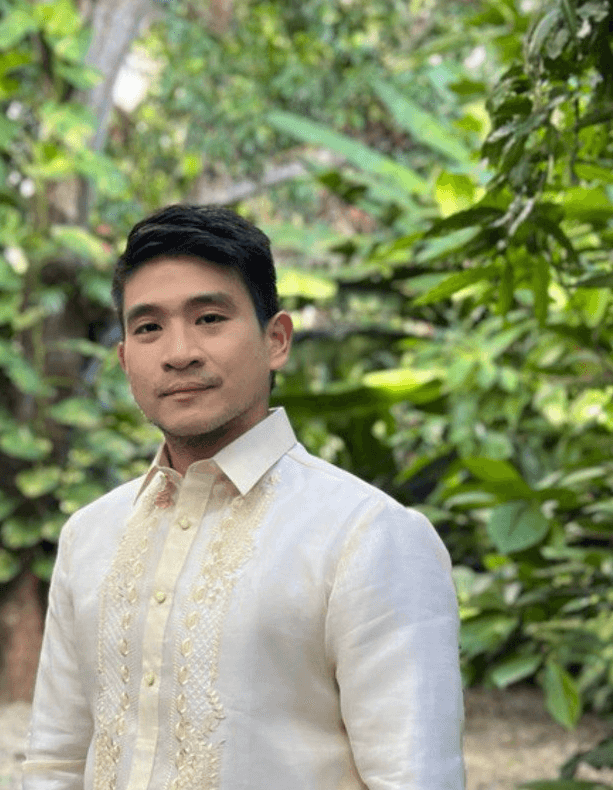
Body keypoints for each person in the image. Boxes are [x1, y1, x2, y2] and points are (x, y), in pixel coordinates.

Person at [23, 205, 465, 790]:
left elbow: (415, 778)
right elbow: (55, 762)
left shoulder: (367, 535)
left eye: (209, 317)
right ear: (125, 358)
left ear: (275, 340)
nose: (179, 352)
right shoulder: (89, 536)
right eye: (148, 327)